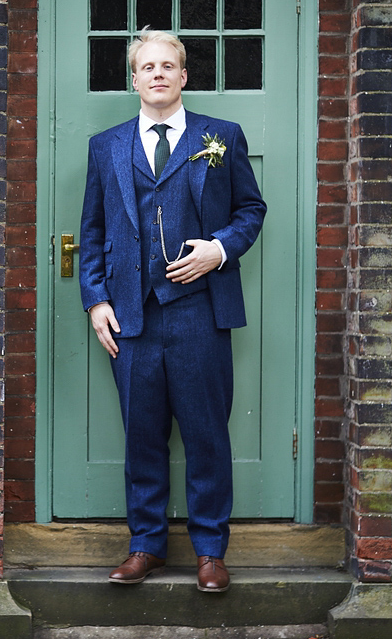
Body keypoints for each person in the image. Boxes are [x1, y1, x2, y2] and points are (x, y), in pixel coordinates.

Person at [78, 30, 266, 593]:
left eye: (168, 66)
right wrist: (96, 300)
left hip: (199, 313)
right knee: (142, 435)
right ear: (134, 79)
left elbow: (251, 209)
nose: (157, 74)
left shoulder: (221, 137)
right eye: (147, 66)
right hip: (130, 317)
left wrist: (220, 248)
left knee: (207, 433)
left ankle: (211, 550)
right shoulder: (105, 146)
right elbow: (93, 231)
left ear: (184, 77)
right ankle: (146, 545)